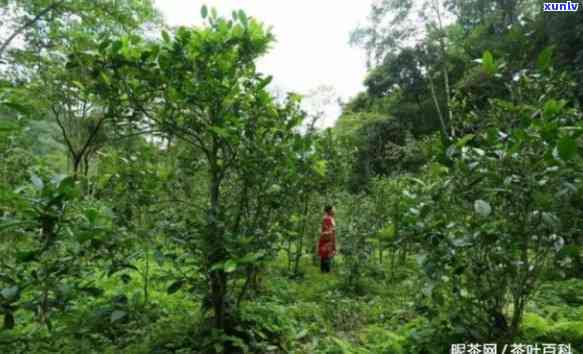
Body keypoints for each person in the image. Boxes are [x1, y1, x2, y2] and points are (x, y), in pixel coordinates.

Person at [318, 205, 336, 273]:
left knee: (325, 255)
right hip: (327, 240)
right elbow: (327, 229)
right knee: (326, 255)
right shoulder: (327, 218)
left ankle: (324, 271)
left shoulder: (330, 218)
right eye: (333, 209)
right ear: (330, 210)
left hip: (328, 239)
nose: (334, 210)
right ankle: (326, 272)